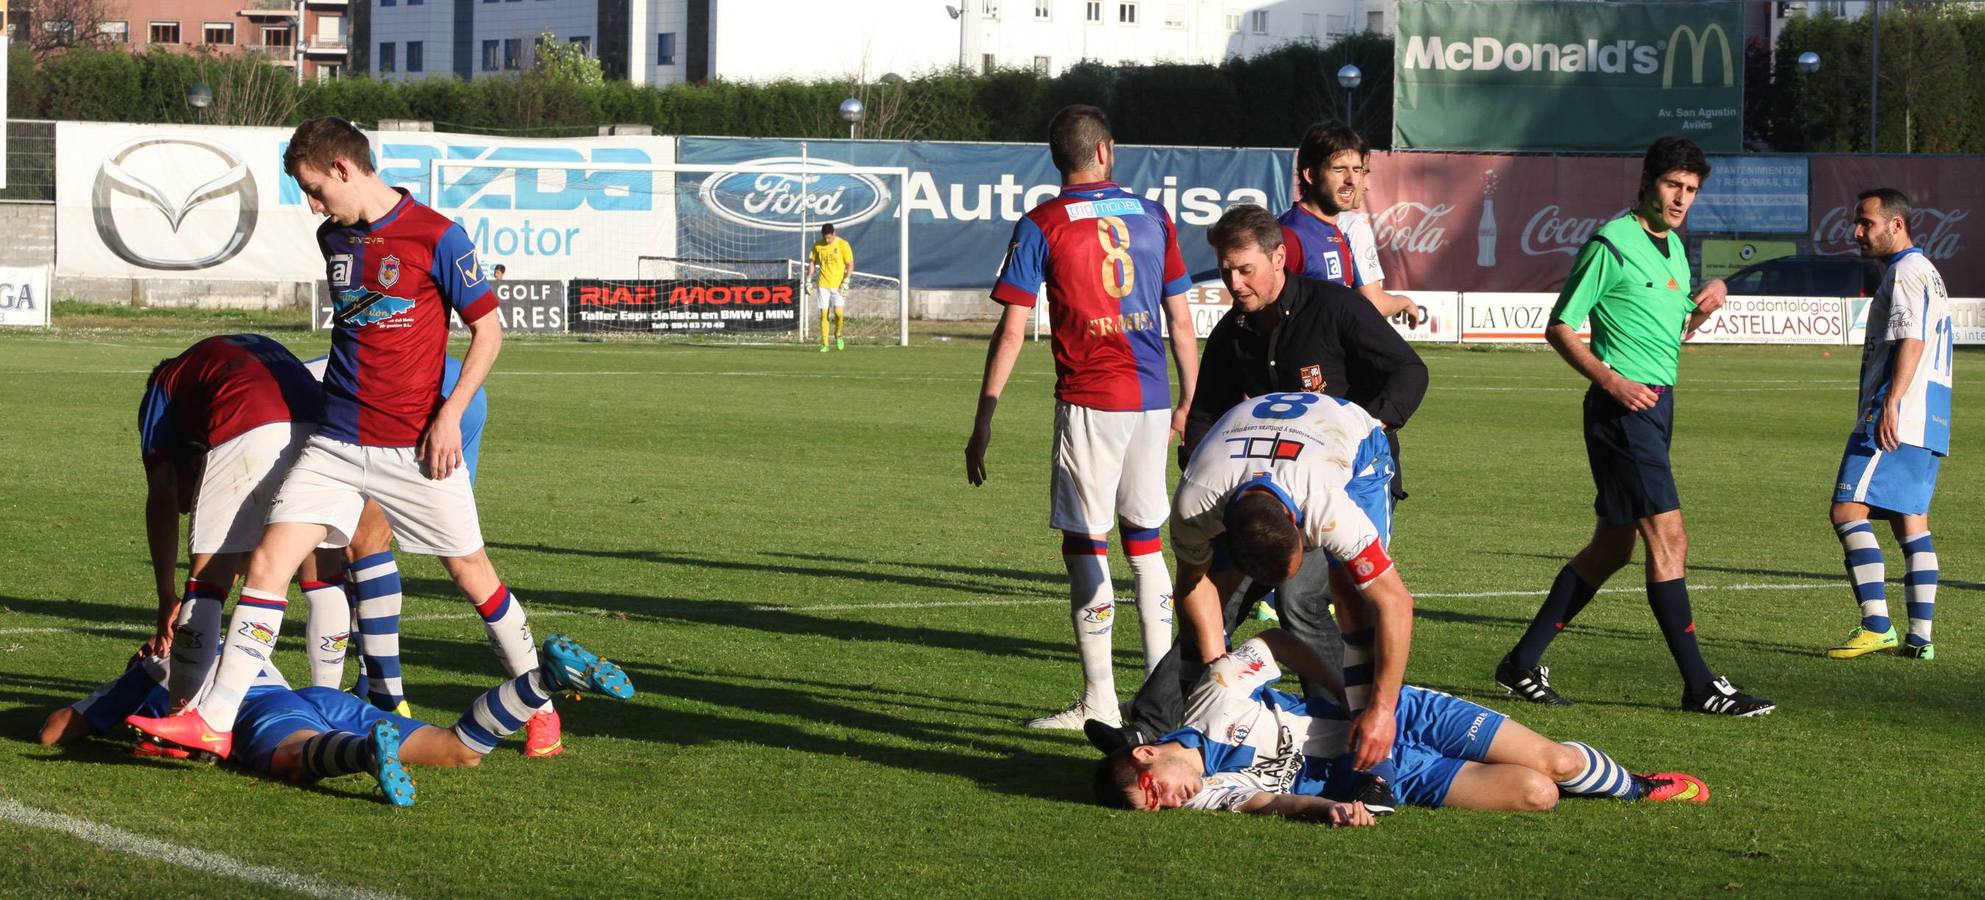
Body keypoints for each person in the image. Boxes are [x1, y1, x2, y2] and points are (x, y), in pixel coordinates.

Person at [128, 116, 561, 760]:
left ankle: (542, 706)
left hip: (410, 447)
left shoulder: (439, 236)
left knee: (474, 576)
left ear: (343, 169)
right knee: (271, 566)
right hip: (332, 443)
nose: (311, 205)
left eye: (312, 188)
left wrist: (450, 414)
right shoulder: (334, 237)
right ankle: (215, 719)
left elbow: (489, 331)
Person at [1110, 204, 1424, 746]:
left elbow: (1409, 371)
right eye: (1226, 270)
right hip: (1256, 494)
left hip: (1339, 486)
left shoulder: (1336, 308)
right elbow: (1206, 410)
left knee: (1300, 601)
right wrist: (1208, 473)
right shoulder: (1233, 331)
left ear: (1278, 257)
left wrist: (1369, 419)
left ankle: (1344, 727)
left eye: (1245, 269)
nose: (1234, 282)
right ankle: (1153, 729)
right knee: (1214, 598)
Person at [1493, 136, 1773, 717]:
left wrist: (1703, 308)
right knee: (1669, 539)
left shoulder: (1672, 246)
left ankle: (1520, 663)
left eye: (1692, 191)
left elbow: (1671, 339)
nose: (1681, 199)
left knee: (1611, 548)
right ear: (1648, 181)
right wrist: (1610, 380)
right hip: (1625, 412)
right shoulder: (1610, 243)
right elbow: (1561, 326)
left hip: (1656, 406)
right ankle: (1699, 687)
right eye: (1674, 185)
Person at [966, 104, 1199, 730]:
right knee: (1146, 543)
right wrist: (1187, 400)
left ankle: (1099, 699)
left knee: (1084, 543)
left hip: (1092, 400)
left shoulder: (1042, 222)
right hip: (1151, 399)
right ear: (1105, 151)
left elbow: (1013, 328)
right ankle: (1161, 700)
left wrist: (985, 416)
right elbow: (1182, 319)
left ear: (1060, 157)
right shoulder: (1152, 214)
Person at [1123, 389, 1413, 787]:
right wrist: (1217, 677)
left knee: (1352, 597)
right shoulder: (1196, 503)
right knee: (1211, 601)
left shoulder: (1327, 508)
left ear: (1303, 530)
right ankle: (1195, 730)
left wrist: (1382, 709)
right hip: (1251, 452)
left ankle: (1374, 764)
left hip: (1354, 445)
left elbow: (1395, 603)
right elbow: (1194, 584)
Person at [1096, 632, 1708, 818]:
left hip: (1399, 712)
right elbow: (1266, 801)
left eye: (1151, 791)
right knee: (1536, 793)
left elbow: (1275, 641)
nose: (1166, 803)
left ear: (1148, 756)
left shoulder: (1214, 699)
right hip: (1384, 772)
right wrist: (1325, 808)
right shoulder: (1202, 796)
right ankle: (1579, 783)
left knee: (1560, 763)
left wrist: (1359, 697)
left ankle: (1635, 784)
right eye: (1153, 810)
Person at [41, 634, 633, 807]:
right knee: (460, 750)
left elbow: (54, 733)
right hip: (312, 695)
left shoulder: (153, 670)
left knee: (296, 758)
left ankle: (361, 755)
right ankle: (545, 682)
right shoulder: (213, 637)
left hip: (259, 710)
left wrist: (129, 683)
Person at [293, 353, 492, 731]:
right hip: (462, 391)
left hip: (404, 399)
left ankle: (355, 701)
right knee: (467, 566)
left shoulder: (289, 395)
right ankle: (541, 712)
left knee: (346, 550)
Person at [136, 334, 323, 707]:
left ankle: (184, 712)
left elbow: (163, 496)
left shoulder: (161, 388)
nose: (188, 510)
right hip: (323, 422)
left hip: (252, 419)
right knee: (321, 576)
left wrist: (166, 597)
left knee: (205, 583)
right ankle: (327, 698)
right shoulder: (214, 365)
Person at [1824, 188, 1952, 661]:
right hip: (1931, 417)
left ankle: (1877, 624)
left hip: (1897, 412)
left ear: (1895, 225)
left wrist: (1890, 403)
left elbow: (1911, 342)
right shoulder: (1930, 273)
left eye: (1866, 223)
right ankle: (1921, 636)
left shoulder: (1904, 272)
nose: (1857, 232)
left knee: (1846, 511)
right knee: (1909, 520)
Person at [1339, 150, 1425, 327]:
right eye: (1362, 173)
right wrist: (1405, 302)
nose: (1367, 185)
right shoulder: (1353, 226)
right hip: (1329, 345)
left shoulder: (1281, 221)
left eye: (1358, 172)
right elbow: (1374, 302)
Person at [807, 223, 855, 352]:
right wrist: (808, 280)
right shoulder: (818, 245)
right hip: (823, 284)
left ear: (834, 233)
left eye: (829, 237)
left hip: (838, 285)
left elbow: (850, 264)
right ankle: (825, 343)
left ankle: (838, 334)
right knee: (823, 314)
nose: (827, 240)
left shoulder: (843, 244)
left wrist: (846, 281)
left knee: (839, 314)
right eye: (825, 238)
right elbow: (812, 263)